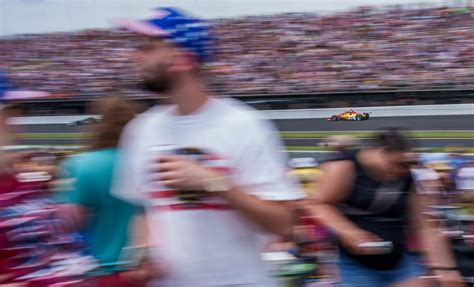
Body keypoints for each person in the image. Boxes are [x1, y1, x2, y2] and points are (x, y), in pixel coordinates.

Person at [112, 7, 304, 287]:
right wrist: (142, 252)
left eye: (148, 47)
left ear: (183, 59)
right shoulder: (140, 130)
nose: (136, 55)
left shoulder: (244, 124)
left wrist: (213, 182)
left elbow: (282, 224)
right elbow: (144, 210)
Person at [308, 128, 466, 287]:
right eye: (400, 164)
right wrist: (347, 231)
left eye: (409, 164)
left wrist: (446, 269)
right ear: (382, 152)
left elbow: (424, 225)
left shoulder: (405, 176)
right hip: (355, 266)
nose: (406, 170)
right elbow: (319, 204)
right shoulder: (345, 167)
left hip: (399, 262)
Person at [57, 96, 153, 286]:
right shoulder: (148, 162)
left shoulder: (80, 164)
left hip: (101, 269)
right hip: (146, 268)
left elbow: (68, 222)